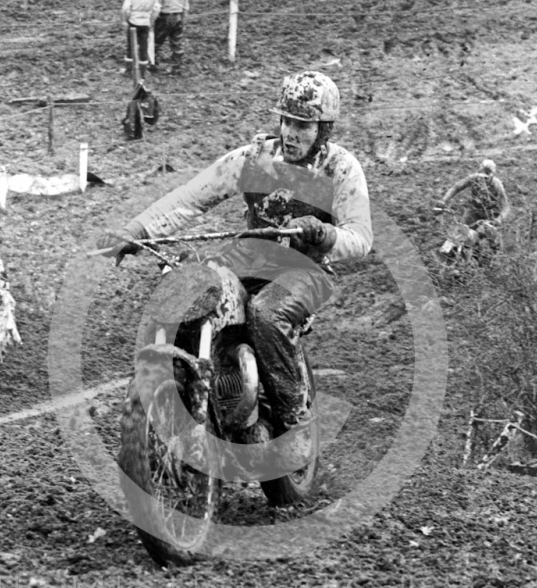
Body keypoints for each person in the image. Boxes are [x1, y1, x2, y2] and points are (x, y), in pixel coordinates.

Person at [97, 71, 372, 455]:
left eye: (303, 125)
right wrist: (137, 230)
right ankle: (187, 387)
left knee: (266, 312)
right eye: (287, 121)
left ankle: (295, 418)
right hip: (249, 254)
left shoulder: (340, 168)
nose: (291, 133)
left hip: (305, 268)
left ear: (323, 129)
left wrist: (323, 234)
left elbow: (360, 238)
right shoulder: (251, 158)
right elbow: (190, 198)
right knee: (190, 284)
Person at [439, 159, 510, 243]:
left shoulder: (497, 185)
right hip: (473, 211)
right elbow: (457, 187)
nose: (483, 180)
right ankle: (451, 251)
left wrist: (499, 219)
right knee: (459, 233)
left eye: (486, 177)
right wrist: (444, 200)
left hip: (490, 215)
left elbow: (506, 207)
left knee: (492, 240)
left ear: (492, 176)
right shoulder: (473, 178)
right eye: (482, 176)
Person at [122, 0, 161, 80]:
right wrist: (151, 20)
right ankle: (143, 72)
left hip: (133, 21)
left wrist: (127, 19)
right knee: (144, 47)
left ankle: (129, 70)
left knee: (131, 46)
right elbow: (156, 8)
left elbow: (126, 8)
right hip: (145, 22)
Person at [152, 0, 190, 75]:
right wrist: (182, 20)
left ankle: (152, 64)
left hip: (165, 16)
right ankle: (176, 67)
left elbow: (157, 6)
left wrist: (153, 19)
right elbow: (186, 7)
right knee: (177, 42)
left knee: (157, 41)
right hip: (178, 16)